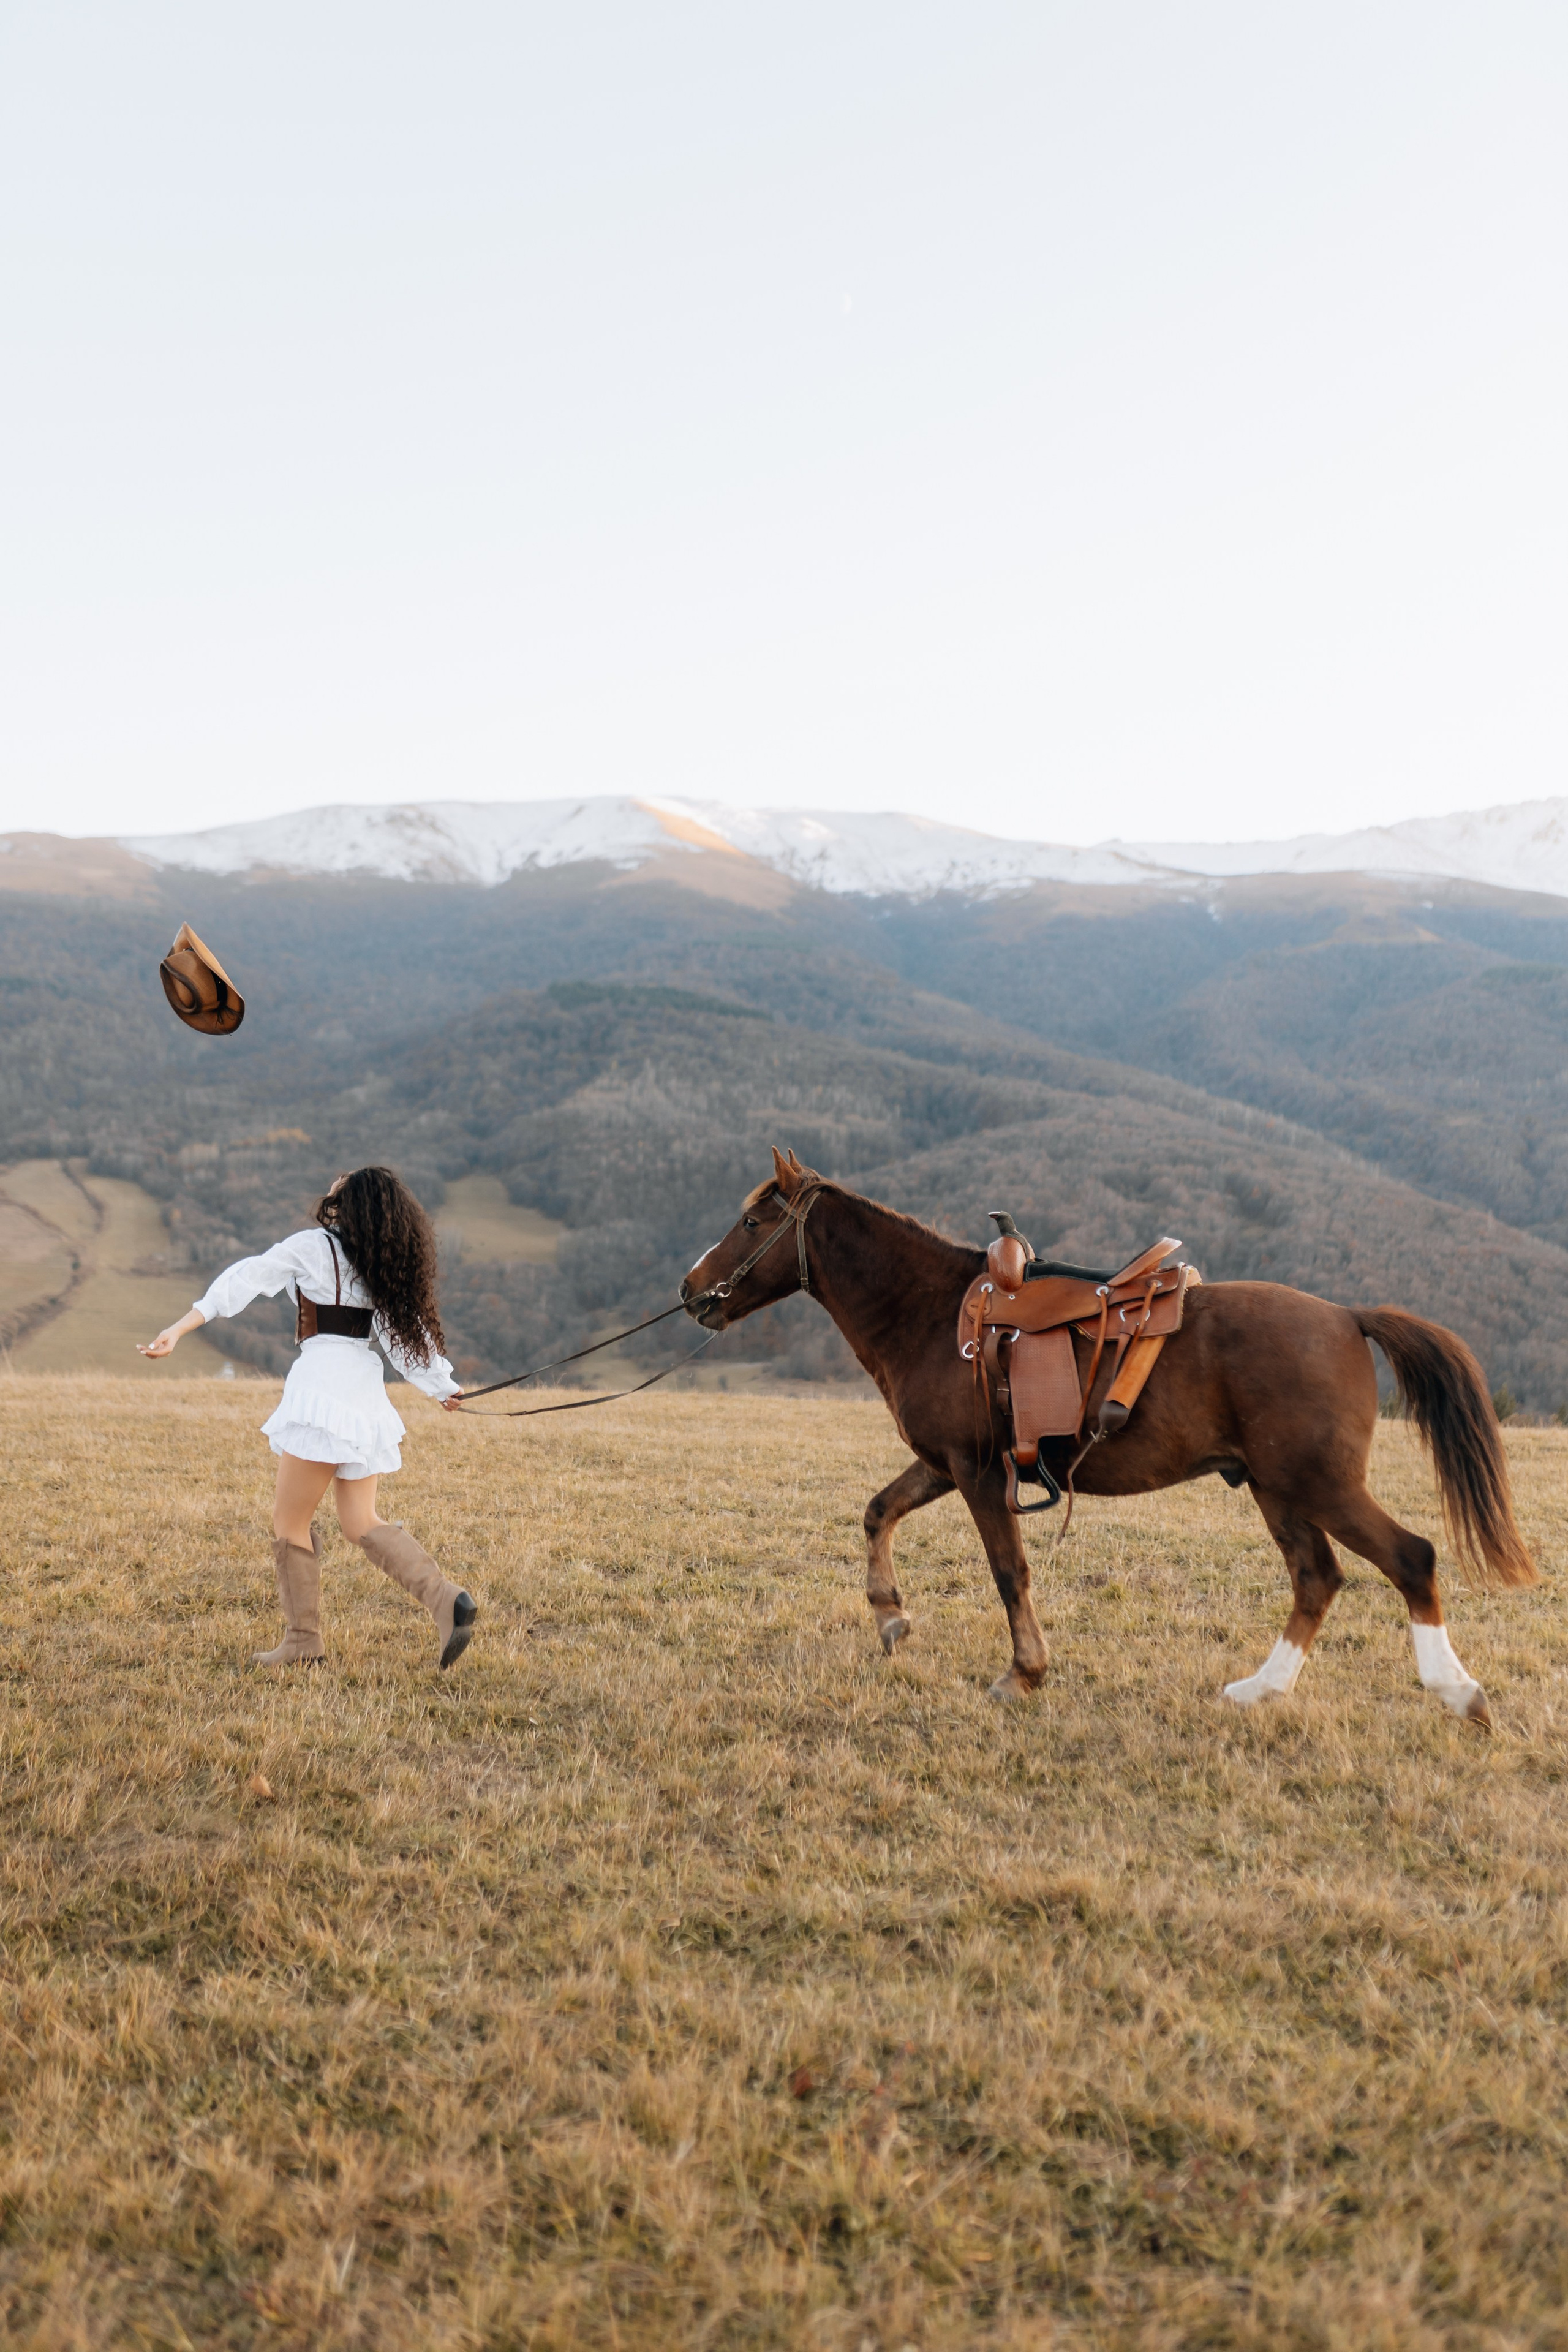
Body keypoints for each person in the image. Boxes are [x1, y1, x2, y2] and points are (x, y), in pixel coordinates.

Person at [140, 1166, 477, 1672]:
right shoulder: (378, 1261)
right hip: (363, 1393)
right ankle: (446, 1600)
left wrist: (181, 1327)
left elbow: (246, 1279)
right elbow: (402, 1340)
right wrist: (444, 1388)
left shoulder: (312, 1246)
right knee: (360, 1522)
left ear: (348, 1200)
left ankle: (303, 1641)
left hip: (322, 1389)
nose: (334, 1181)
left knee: (290, 1521)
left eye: (342, 1180)